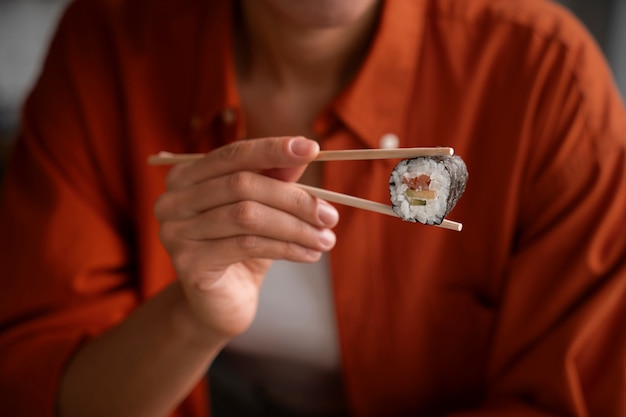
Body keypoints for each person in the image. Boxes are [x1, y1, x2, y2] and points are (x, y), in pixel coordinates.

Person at [1, 0, 625, 416]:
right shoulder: (108, 41)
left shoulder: (545, 72)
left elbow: (583, 395)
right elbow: (40, 385)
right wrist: (194, 320)